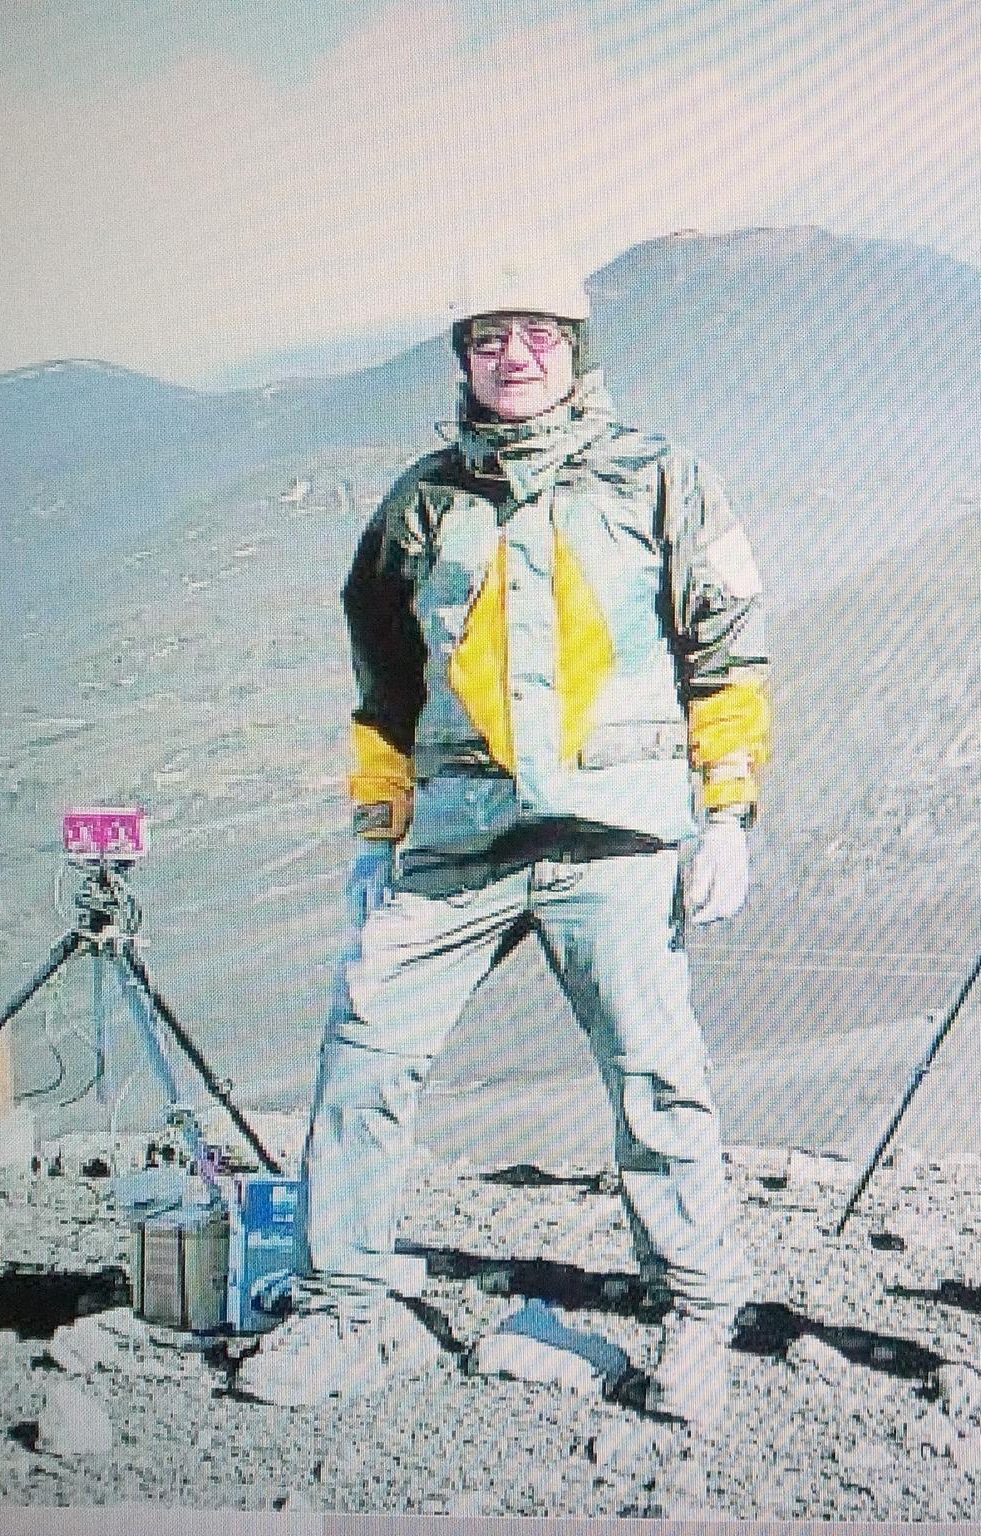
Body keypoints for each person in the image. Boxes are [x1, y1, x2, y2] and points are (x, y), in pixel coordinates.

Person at [237, 251, 769, 1427]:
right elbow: (383, 685)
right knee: (366, 1048)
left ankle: (693, 1315)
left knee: (653, 1076)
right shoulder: (422, 504)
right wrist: (378, 834)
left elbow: (726, 654)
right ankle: (343, 1311)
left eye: (537, 334)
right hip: (457, 841)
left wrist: (727, 810)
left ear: (577, 350)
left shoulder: (658, 479)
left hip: (616, 837)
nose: (514, 357)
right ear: (463, 360)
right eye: (489, 338)